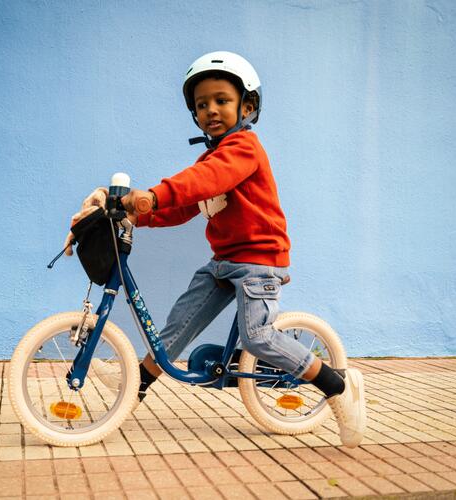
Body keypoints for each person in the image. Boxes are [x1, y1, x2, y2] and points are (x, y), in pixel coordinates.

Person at [92, 51, 367, 447]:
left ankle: (339, 386)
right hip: (223, 261)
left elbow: (204, 179)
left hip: (258, 261)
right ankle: (134, 387)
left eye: (221, 100)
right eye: (202, 104)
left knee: (257, 337)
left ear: (247, 106)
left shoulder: (243, 150)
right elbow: (184, 205)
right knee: (176, 329)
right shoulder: (211, 159)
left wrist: (149, 195)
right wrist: (137, 214)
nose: (211, 110)